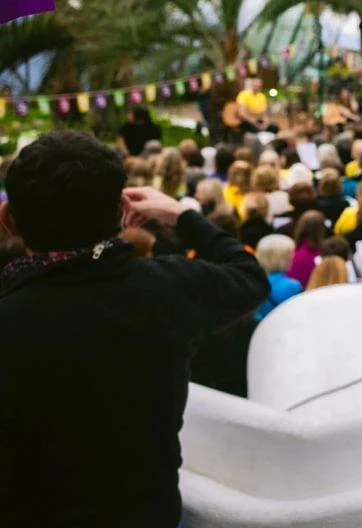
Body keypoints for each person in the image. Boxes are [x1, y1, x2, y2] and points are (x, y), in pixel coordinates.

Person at [0, 130, 268, 528]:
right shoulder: (169, 287)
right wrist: (181, 215)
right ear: (121, 211)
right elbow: (248, 276)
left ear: (8, 220)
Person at [254, 234, 301, 320]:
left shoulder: (251, 282)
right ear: (283, 258)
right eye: (290, 253)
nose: (293, 257)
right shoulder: (292, 286)